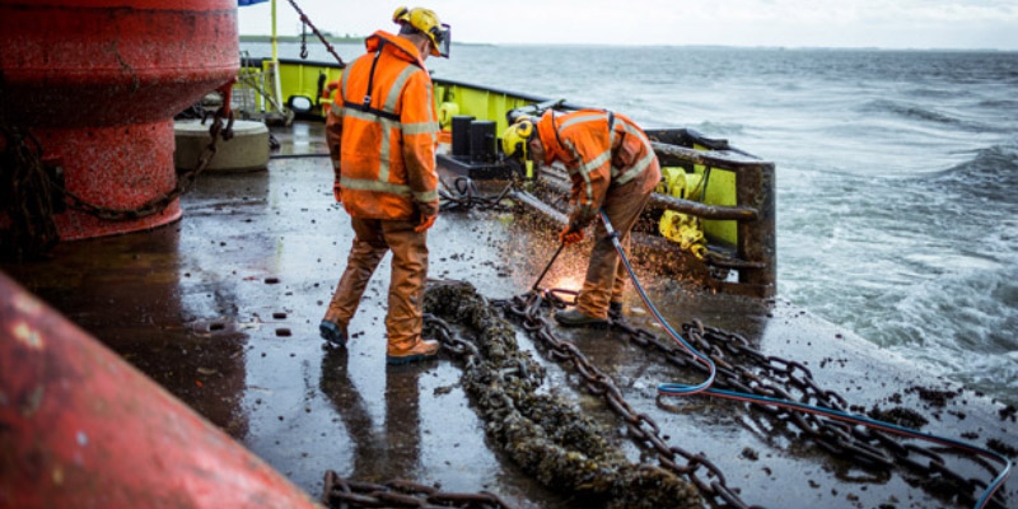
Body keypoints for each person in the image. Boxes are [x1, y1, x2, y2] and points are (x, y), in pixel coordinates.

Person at [320, 6, 451, 365]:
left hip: (357, 192)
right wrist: (428, 201)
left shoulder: (355, 68)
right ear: (425, 41)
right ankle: (403, 343)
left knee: (364, 250)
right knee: (410, 264)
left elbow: (333, 130)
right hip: (397, 198)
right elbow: (419, 146)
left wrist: (339, 179)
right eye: (430, 49)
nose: (429, 56)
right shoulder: (414, 77)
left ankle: (336, 318)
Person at [502, 108, 661, 327]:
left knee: (607, 238)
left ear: (534, 144)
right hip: (623, 170)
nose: (535, 161)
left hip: (634, 174)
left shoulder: (569, 135)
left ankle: (593, 309)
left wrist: (580, 222)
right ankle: (611, 299)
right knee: (616, 238)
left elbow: (596, 180)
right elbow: (580, 181)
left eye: (530, 157)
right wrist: (573, 222)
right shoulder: (558, 136)